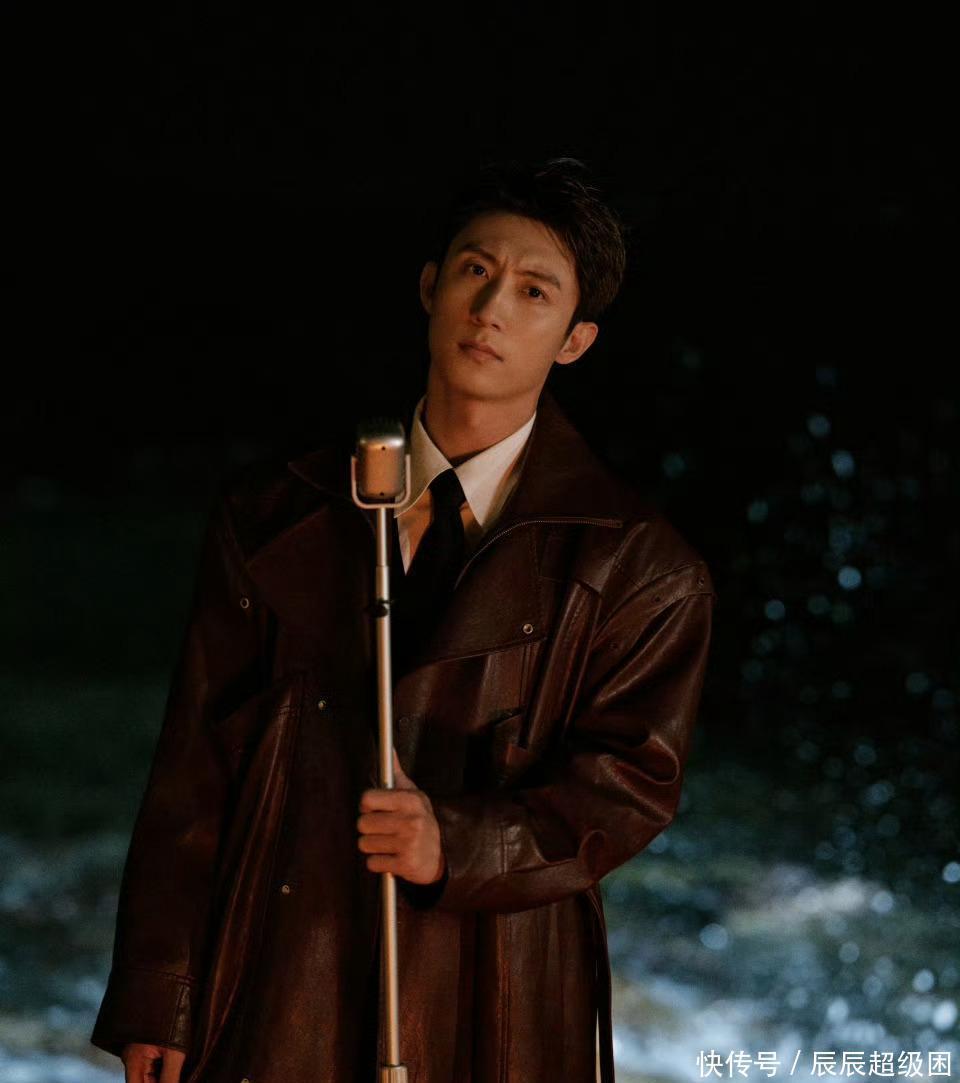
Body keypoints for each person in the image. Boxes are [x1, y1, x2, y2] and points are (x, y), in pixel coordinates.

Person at [91, 157, 717, 1082]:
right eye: (475, 270)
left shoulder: (641, 566)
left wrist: (453, 843)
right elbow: (193, 771)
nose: (491, 308)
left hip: (496, 988)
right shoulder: (274, 515)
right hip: (283, 968)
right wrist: (162, 992)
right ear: (430, 286)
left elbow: (625, 791)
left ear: (575, 340)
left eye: (533, 291)